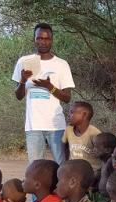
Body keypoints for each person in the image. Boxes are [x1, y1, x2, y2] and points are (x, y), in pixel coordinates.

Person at [13, 23, 75, 165]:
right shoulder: (23, 62)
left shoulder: (61, 64)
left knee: (62, 167)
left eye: (47, 39)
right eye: (39, 38)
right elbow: (18, 96)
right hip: (33, 125)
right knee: (36, 169)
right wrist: (23, 80)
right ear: (34, 39)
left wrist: (50, 87)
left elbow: (67, 97)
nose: (43, 42)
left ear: (52, 40)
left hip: (56, 126)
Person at [63, 101, 101, 171]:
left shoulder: (94, 133)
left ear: (84, 115)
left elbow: (103, 154)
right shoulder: (68, 129)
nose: (68, 115)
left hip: (91, 171)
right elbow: (65, 145)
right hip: (73, 168)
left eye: (71, 112)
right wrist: (66, 163)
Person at [89, 132, 116, 202]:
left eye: (96, 147)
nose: (93, 150)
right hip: (101, 195)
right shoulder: (103, 161)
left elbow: (115, 188)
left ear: (108, 150)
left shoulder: (111, 163)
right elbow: (103, 177)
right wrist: (95, 188)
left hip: (108, 199)